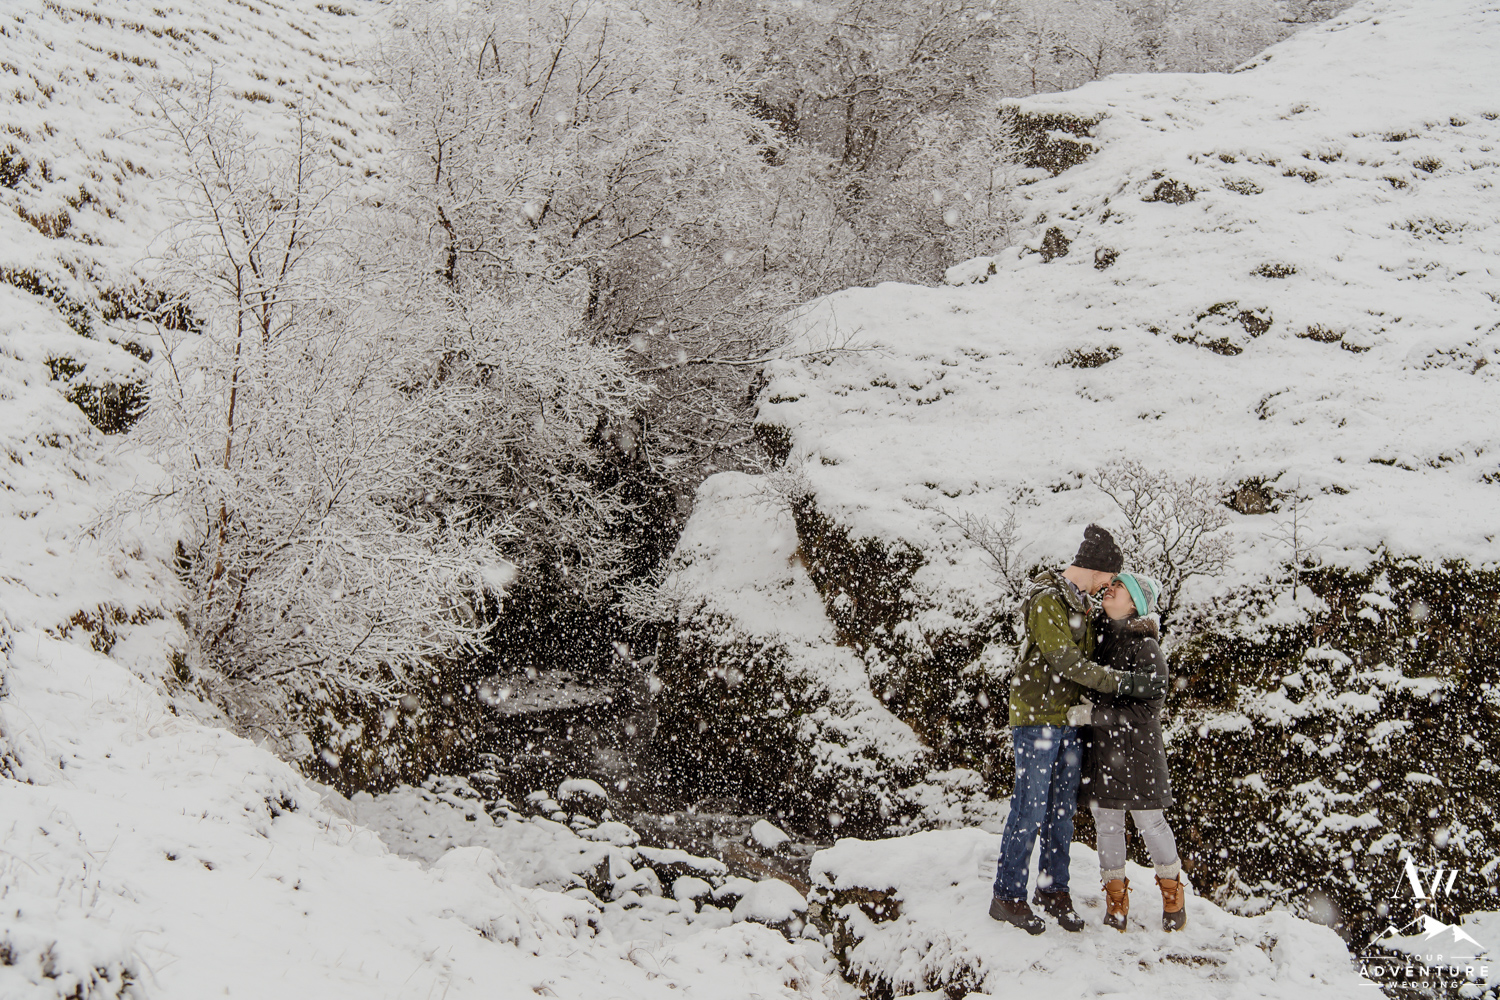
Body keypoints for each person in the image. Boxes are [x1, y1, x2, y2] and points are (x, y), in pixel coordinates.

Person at [990, 525, 1169, 934]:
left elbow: (1133, 628)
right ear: (1094, 568)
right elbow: (1067, 662)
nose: (1110, 585)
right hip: (1038, 718)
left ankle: (1053, 890)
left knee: (1061, 811)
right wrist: (1125, 683)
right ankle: (1008, 895)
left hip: (1070, 720)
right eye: (1109, 577)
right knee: (1030, 807)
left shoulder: (1083, 604)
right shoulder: (1047, 599)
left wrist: (1144, 675)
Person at [1069, 571, 1186, 932]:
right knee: (1107, 826)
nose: (1111, 589)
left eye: (1119, 587)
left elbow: (1148, 708)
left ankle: (1173, 894)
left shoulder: (1146, 646)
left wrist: (1095, 715)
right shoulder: (1099, 639)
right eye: (1112, 584)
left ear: (1134, 604)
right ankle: (1116, 901)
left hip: (1138, 754)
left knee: (1151, 823)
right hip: (1104, 751)